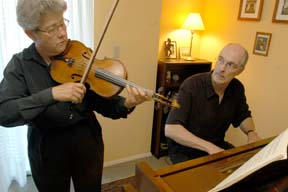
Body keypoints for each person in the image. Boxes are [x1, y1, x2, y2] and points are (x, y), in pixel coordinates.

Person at [0, 0, 150, 191]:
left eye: (62, 23)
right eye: (52, 29)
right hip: (47, 148)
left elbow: (101, 102)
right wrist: (51, 94)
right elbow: (4, 112)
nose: (62, 33)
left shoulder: (78, 53)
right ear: (30, 33)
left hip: (87, 141)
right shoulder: (20, 65)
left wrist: (127, 103)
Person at [165, 43, 261, 164]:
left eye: (231, 65)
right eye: (221, 60)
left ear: (240, 70)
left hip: (217, 146)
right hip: (186, 151)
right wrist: (210, 148)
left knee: (246, 169)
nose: (222, 68)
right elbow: (171, 129)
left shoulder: (237, 88)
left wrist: (251, 133)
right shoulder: (191, 85)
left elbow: (243, 115)